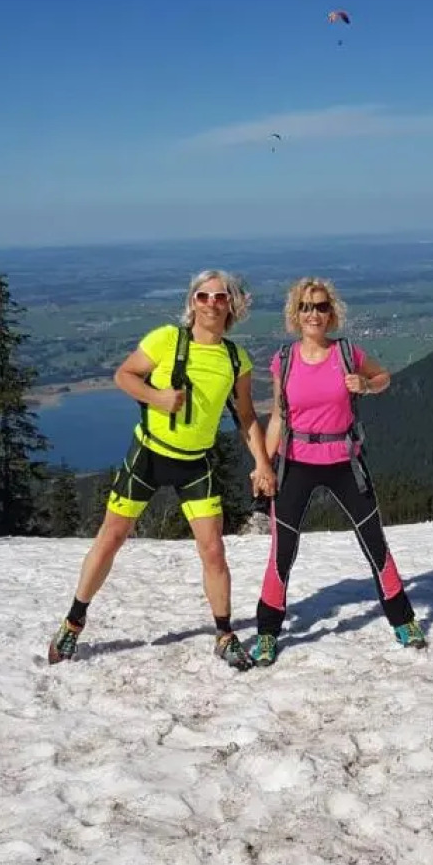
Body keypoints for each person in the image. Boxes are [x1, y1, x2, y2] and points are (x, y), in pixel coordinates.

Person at [47, 269, 276, 670]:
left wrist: (261, 462)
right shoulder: (166, 339)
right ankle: (73, 622)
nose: (210, 304)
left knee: (213, 550)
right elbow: (124, 375)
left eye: (219, 297)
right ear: (192, 302)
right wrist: (158, 398)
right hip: (149, 455)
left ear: (232, 305)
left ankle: (223, 634)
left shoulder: (236, 359)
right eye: (202, 296)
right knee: (112, 536)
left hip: (196, 464)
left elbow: (245, 415)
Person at [249, 277, 426, 666]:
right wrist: (264, 464)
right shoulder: (285, 359)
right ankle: (266, 633)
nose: (314, 314)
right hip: (295, 462)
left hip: (345, 460)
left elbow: (383, 378)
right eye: (306, 307)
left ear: (332, 313)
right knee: (282, 550)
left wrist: (364, 384)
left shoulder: (348, 352)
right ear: (296, 314)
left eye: (321, 306)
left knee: (373, 540)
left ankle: (403, 619)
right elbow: (279, 416)